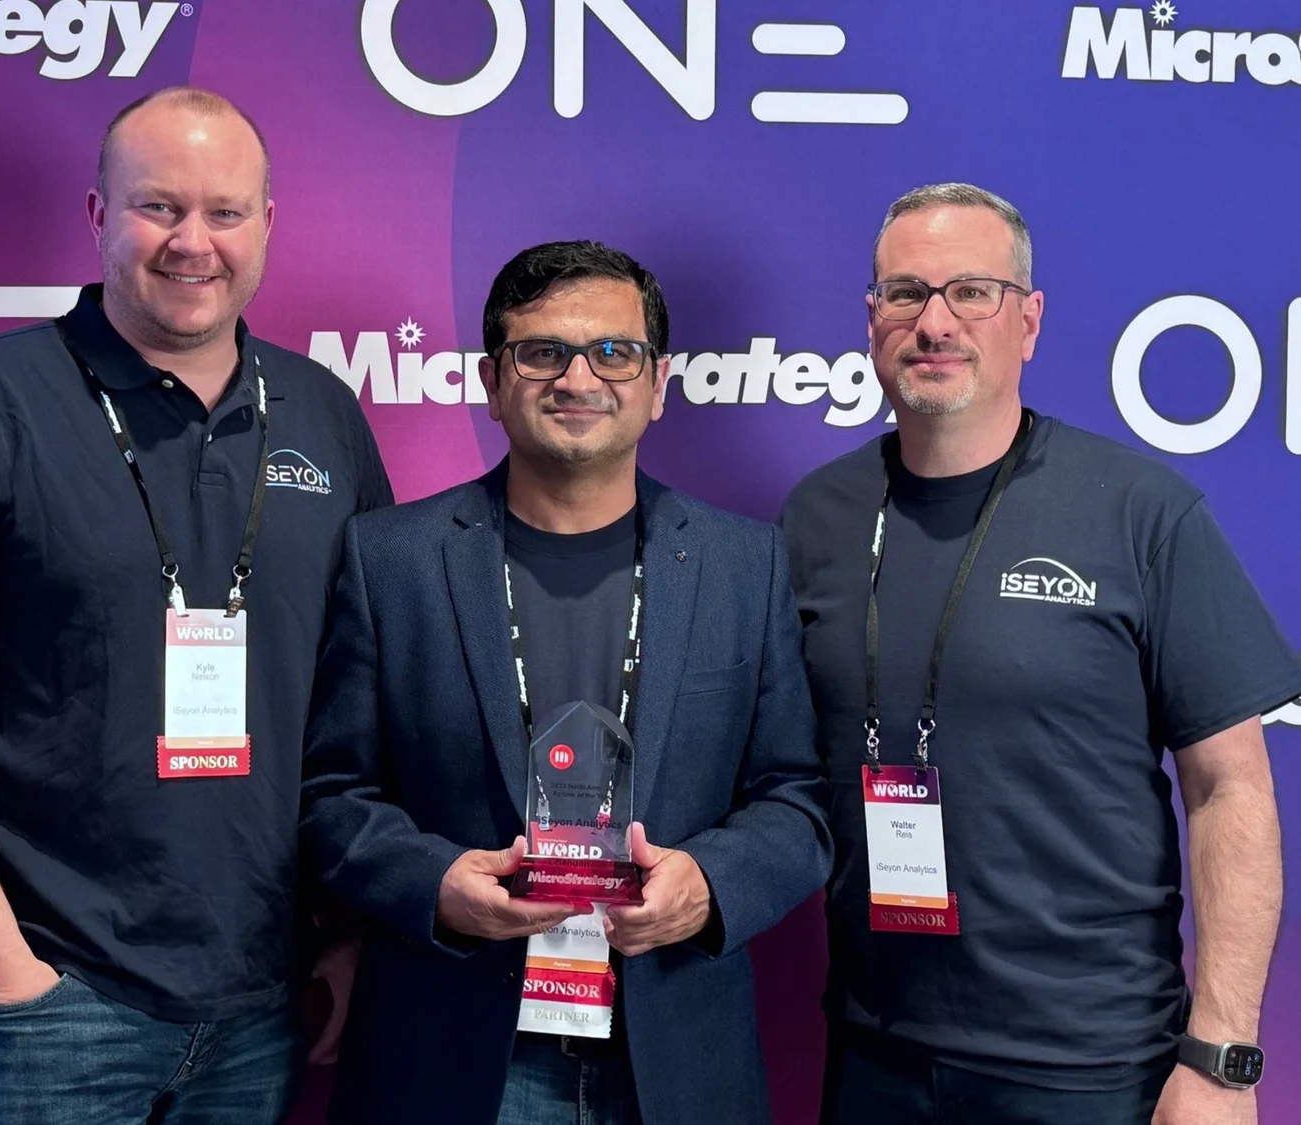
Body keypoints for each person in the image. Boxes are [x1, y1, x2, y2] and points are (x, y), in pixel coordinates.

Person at [0, 86, 391, 1125]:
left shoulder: (323, 414)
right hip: (54, 998)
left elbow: (359, 701)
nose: (193, 242)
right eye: (158, 206)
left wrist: (352, 930)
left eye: (225, 212)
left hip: (263, 997)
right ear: (98, 214)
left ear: (268, 223)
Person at [779, 182, 1301, 1125]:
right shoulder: (816, 518)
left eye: (972, 292)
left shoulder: (1139, 511)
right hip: (874, 1057)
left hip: (1092, 1069)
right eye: (906, 293)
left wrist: (1222, 1060)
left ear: (1028, 321)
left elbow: (1232, 789)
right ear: (871, 319)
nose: (935, 322)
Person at [300, 240, 832, 1125]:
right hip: (452, 1056)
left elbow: (796, 799)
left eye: (614, 352)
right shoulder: (390, 559)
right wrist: (435, 883)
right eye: (542, 351)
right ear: (491, 380)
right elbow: (332, 795)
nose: (578, 378)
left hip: (674, 1062)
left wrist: (708, 882)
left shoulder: (746, 564)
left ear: (658, 384)